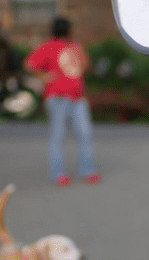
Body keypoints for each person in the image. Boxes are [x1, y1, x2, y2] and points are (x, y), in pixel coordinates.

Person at [25, 16, 100, 187]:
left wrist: (81, 54)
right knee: (58, 135)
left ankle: (88, 169)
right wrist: (44, 76)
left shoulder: (75, 46)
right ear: (66, 29)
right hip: (58, 98)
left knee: (85, 133)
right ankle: (58, 173)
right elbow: (29, 64)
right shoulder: (48, 46)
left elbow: (85, 66)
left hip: (78, 98)